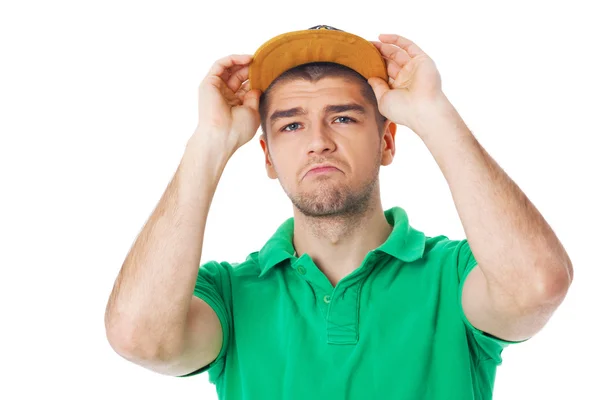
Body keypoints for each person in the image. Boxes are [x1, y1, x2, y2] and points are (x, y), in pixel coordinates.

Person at [104, 25, 574, 400]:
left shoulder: (453, 276)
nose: (318, 141)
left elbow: (537, 285)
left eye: (344, 117)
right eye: (292, 125)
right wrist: (209, 141)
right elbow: (138, 337)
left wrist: (431, 112)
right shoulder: (228, 294)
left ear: (387, 141)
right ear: (267, 156)